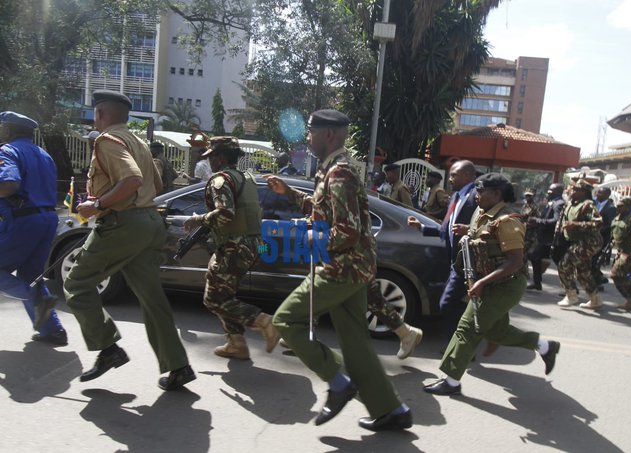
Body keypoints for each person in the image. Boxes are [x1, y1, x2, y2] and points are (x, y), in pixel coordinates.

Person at [265, 109, 412, 431]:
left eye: (310, 131)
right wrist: (287, 193)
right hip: (352, 269)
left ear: (328, 135)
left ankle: (338, 381)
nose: (307, 137)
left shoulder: (340, 173)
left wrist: (308, 238)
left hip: (340, 268)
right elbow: (326, 211)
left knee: (285, 320)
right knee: (356, 344)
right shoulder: (332, 171)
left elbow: (347, 231)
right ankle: (392, 409)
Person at [64, 90, 194, 391]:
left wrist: (97, 204)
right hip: (149, 222)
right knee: (152, 299)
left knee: (76, 283)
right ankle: (179, 366)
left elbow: (132, 180)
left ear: (100, 114)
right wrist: (110, 197)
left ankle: (107, 348)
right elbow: (155, 184)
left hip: (124, 224)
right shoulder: (138, 142)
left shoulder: (107, 141)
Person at [423, 173, 560, 396]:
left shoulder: (509, 221)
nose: (476, 196)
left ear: (496, 194)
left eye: (481, 192)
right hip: (489, 281)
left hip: (506, 284)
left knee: (467, 328)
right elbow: (487, 237)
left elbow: (514, 262)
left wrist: (482, 283)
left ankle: (451, 381)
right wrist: (467, 231)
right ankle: (545, 346)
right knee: (496, 331)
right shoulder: (483, 211)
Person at [182, 136, 279, 360]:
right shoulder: (247, 178)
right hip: (253, 246)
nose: (210, 162)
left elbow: (226, 214)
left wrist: (198, 219)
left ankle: (264, 321)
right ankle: (236, 343)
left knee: (213, 299)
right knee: (224, 293)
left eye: (212, 157)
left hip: (235, 247)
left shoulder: (221, 180)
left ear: (221, 158)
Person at [0, 111, 67, 345]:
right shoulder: (44, 154)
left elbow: (9, 183)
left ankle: (34, 297)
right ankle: (53, 331)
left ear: (8, 131)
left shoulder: (7, 151)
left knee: (21, 281)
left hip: (22, 221)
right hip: (47, 219)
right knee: (30, 275)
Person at [408, 160, 478, 335]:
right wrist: (422, 227)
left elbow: (491, 225)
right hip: (454, 260)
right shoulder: (455, 197)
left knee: (447, 303)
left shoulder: (477, 196)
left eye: (454, 175)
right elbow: (446, 229)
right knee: (458, 303)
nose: (450, 179)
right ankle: (463, 341)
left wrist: (469, 230)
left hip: (469, 260)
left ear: (468, 175)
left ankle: (462, 342)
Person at [554, 179, 603, 309]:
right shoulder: (570, 203)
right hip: (576, 241)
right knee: (583, 271)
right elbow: (561, 221)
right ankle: (595, 299)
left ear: (583, 192)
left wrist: (576, 225)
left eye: (576, 189)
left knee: (564, 265)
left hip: (589, 242)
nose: (572, 191)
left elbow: (598, 223)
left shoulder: (588, 205)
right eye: (572, 188)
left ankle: (571, 296)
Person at [526, 183, 565, 291]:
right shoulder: (552, 202)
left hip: (551, 239)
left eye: (550, 190)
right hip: (545, 238)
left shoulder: (559, 204)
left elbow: (556, 221)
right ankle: (537, 283)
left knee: (562, 264)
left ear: (557, 192)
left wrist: (538, 221)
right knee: (535, 257)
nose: (548, 192)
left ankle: (571, 288)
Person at [609, 198, 631, 312]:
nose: (617, 207)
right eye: (617, 205)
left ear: (627, 207)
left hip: (630, 252)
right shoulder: (617, 218)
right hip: (621, 251)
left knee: (615, 274)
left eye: (620, 206)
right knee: (619, 276)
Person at [591, 186, 617, 288]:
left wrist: (597, 229)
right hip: (591, 237)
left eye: (600, 193)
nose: (597, 194)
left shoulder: (610, 208)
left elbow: (609, 225)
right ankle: (598, 278)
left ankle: (598, 281)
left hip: (602, 238)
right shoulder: (594, 204)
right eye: (597, 192)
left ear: (607, 195)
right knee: (591, 260)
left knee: (595, 260)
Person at [520, 190, 541, 271]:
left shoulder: (535, 207)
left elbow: (538, 221)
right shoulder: (525, 205)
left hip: (530, 234)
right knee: (522, 253)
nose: (528, 197)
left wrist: (528, 224)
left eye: (530, 196)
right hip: (523, 232)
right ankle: (523, 271)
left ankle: (523, 272)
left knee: (523, 253)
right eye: (527, 195)